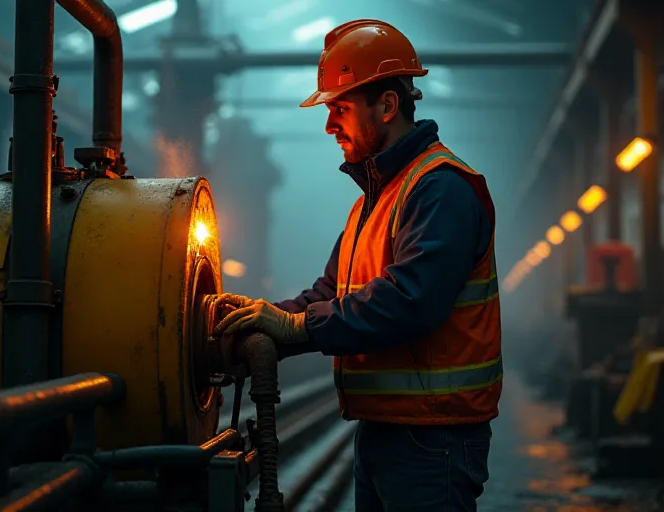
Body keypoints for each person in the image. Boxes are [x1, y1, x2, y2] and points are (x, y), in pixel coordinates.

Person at [211, 19, 503, 511]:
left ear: (388, 105)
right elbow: (330, 291)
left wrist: (296, 327)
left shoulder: (439, 187)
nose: (329, 125)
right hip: (386, 430)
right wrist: (258, 320)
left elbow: (410, 301)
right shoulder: (377, 198)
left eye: (340, 108)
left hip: (434, 438)